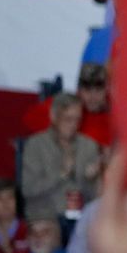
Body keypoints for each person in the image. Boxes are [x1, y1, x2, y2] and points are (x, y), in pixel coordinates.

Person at [21, 93, 101, 230]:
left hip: (81, 222)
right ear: (53, 116)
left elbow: (96, 199)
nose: (74, 125)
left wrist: (91, 179)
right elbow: (28, 190)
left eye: (78, 120)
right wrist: (61, 174)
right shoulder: (35, 145)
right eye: (68, 119)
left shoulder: (89, 146)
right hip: (45, 220)